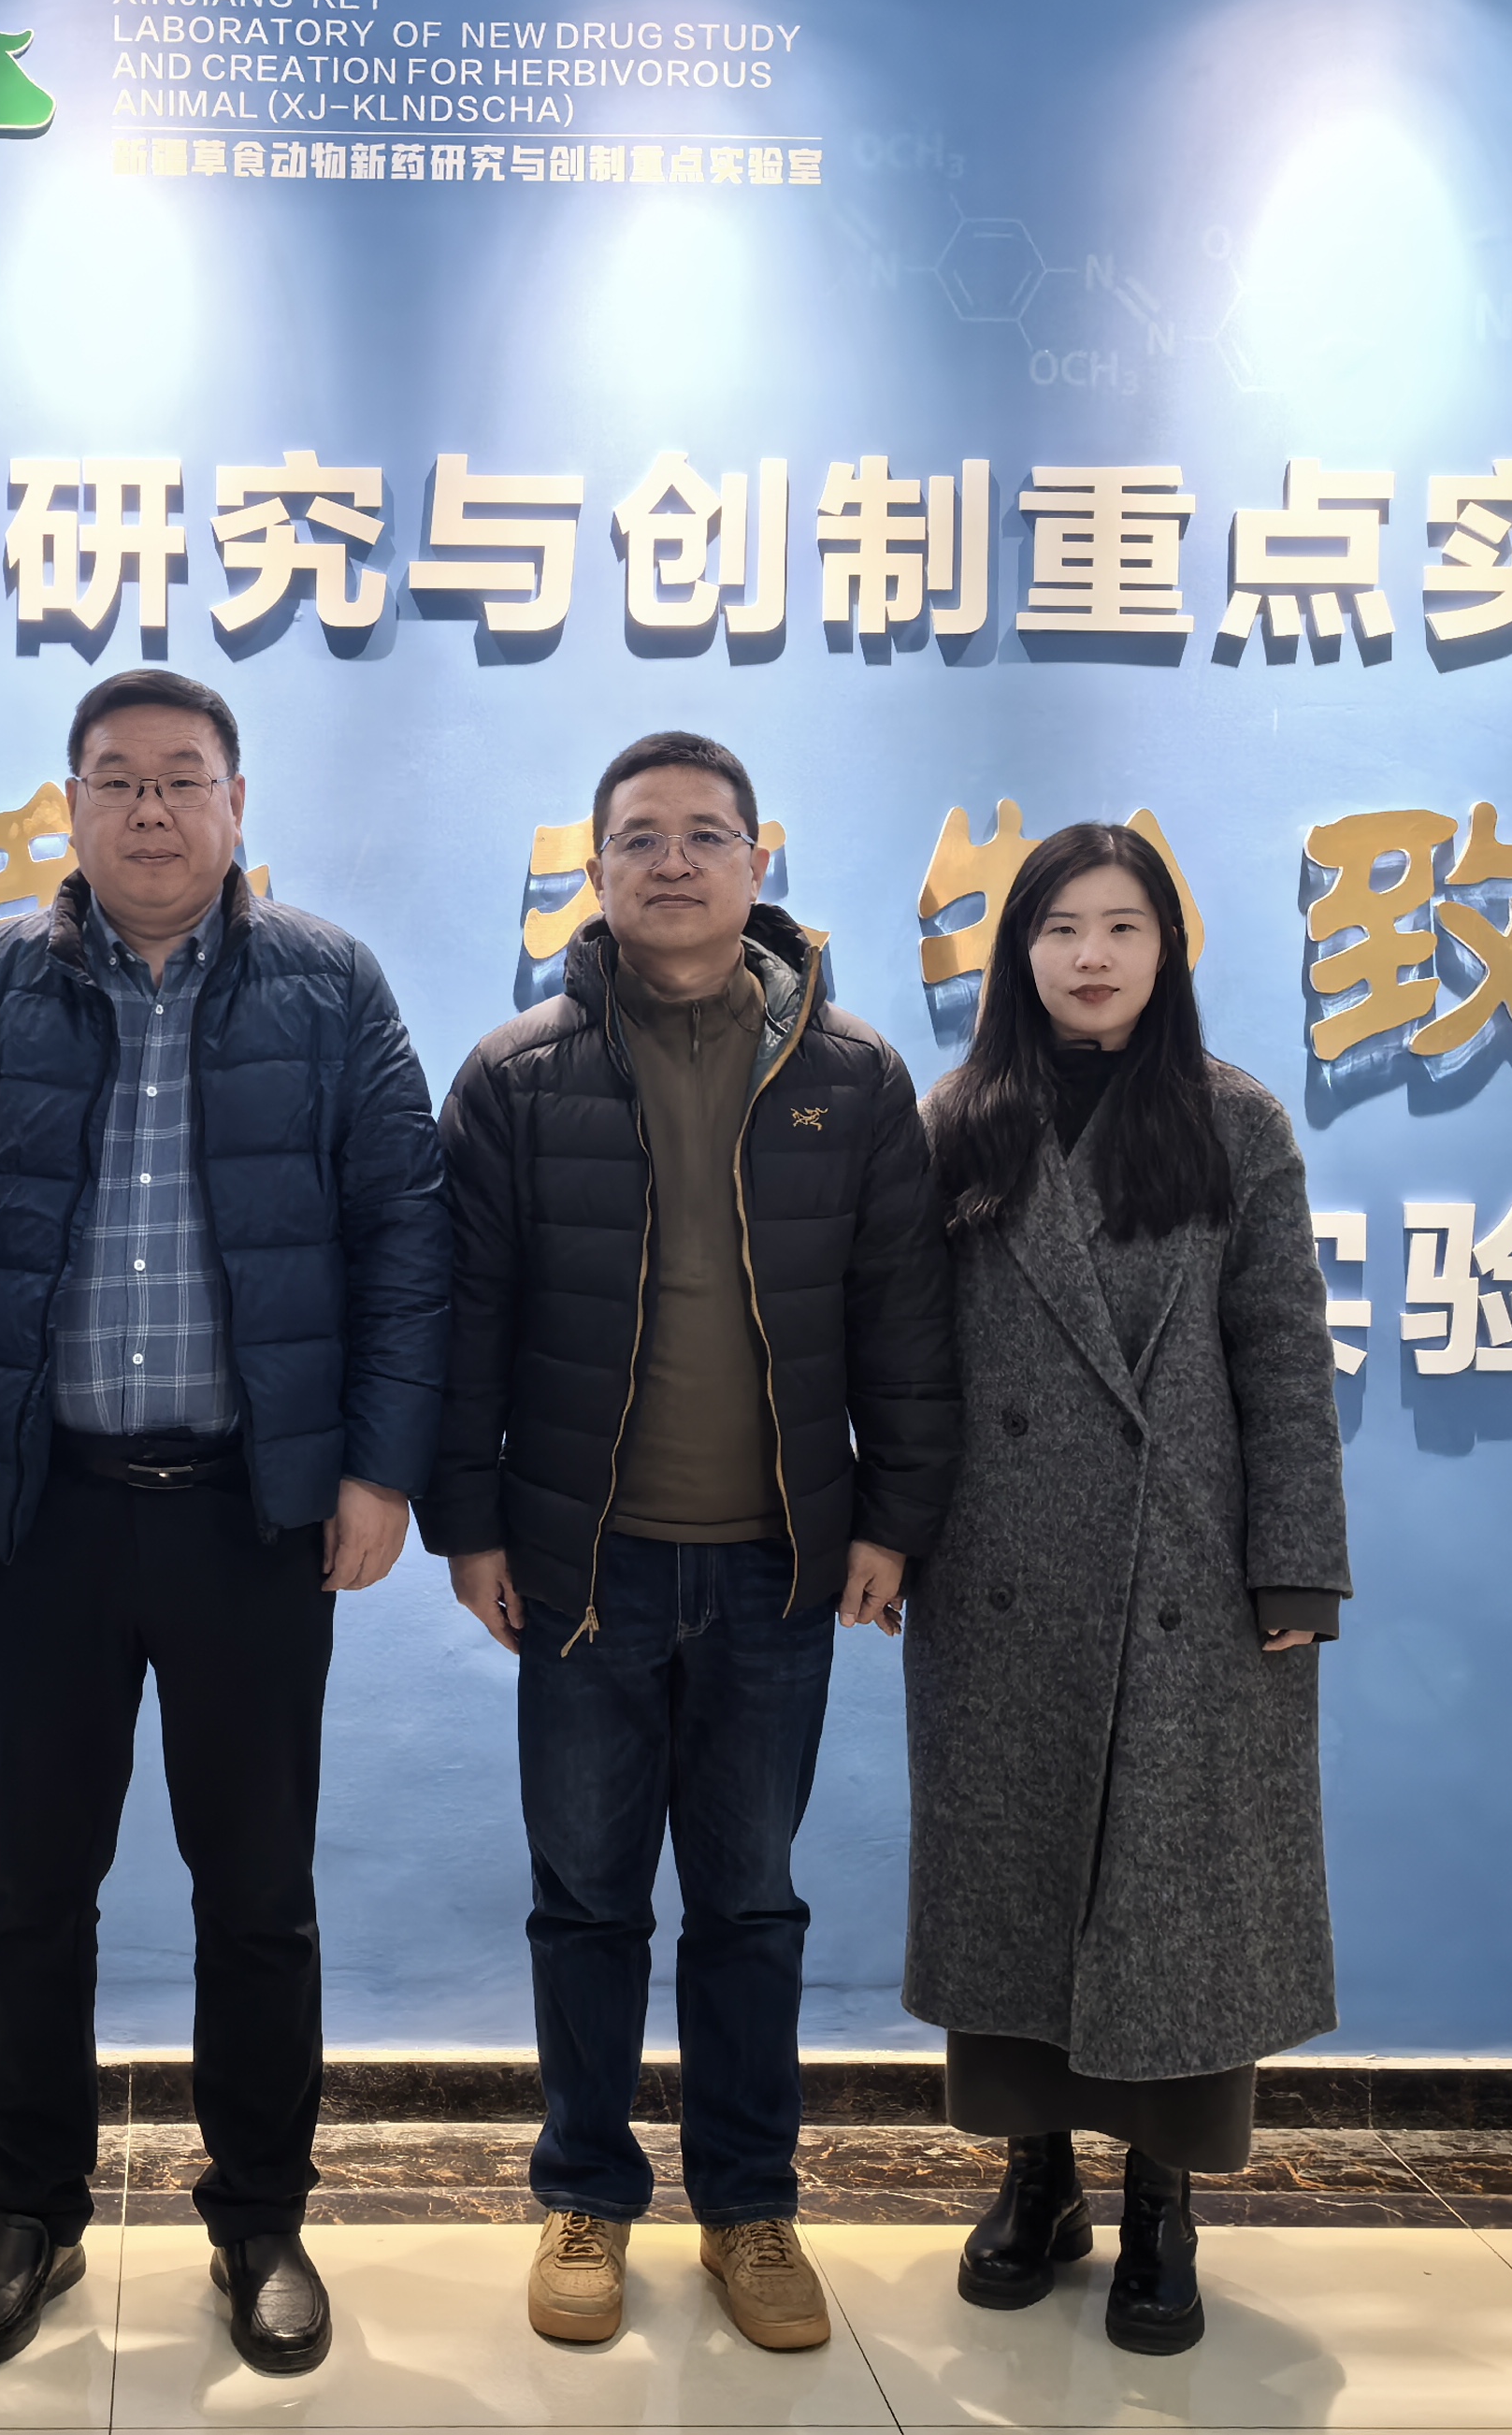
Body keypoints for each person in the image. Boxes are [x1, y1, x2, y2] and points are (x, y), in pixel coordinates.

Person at [0, 671, 449, 2379]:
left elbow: (404, 1242)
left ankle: (260, 2220)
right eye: (116, 780)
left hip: (252, 1520)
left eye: (184, 779)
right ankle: (28, 2217)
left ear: (237, 804)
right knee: (34, 1891)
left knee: (257, 1892)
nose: (150, 810)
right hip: (41, 1518)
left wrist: (379, 1472)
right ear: (71, 808)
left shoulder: (332, 986)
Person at [424, 728, 956, 2355]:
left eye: (705, 834)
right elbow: (465, 1323)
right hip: (585, 1571)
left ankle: (750, 2206)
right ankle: (585, 2194)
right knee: (586, 1902)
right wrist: (466, 1526)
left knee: (749, 1904)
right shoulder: (517, 1077)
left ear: (757, 861)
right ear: (593, 868)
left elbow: (904, 1322)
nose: (673, 861)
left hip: (777, 1568)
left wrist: (896, 1518)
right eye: (640, 836)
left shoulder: (854, 1076)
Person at [904, 820, 1349, 2357]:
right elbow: (908, 1362)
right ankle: (1035, 2176)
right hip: (1000, 1565)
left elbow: (1283, 1354)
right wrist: (890, 1534)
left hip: (1188, 1573)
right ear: (1018, 951)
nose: (1092, 956)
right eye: (1061, 928)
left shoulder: (1235, 1120)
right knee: (1011, 1882)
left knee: (1181, 1897)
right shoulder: (959, 1121)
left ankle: (1164, 2196)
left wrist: (1297, 1562)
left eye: (1123, 927)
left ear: (1169, 949)